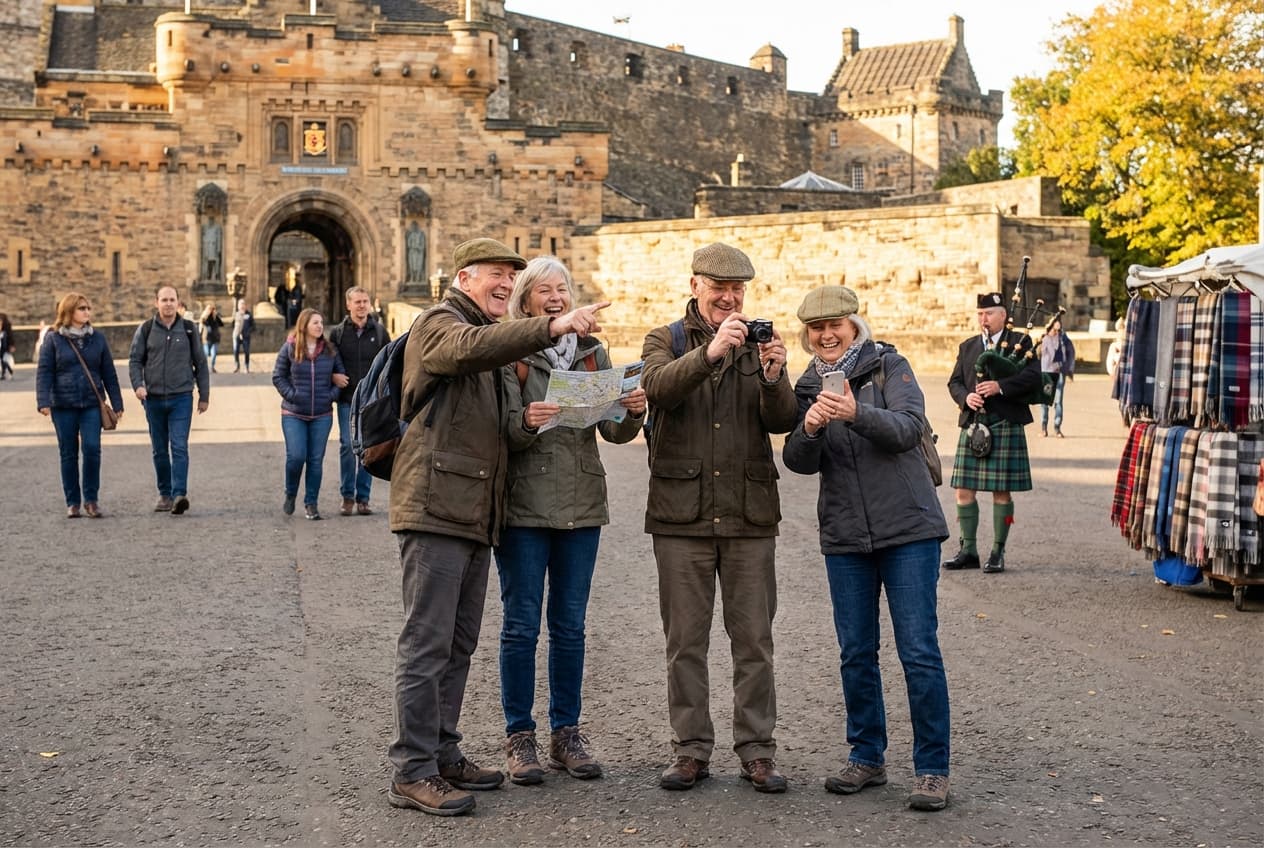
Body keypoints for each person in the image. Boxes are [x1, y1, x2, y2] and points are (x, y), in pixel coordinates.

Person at [387, 238, 607, 818]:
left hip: (473, 511)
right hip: (435, 505)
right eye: (496, 276)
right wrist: (551, 325)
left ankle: (443, 751)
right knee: (426, 643)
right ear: (463, 276)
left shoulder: (484, 335)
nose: (505, 285)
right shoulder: (440, 322)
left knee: (457, 643)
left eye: (512, 277)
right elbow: (469, 349)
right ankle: (412, 770)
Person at [781, 285, 952, 811]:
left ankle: (931, 769)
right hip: (845, 535)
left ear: (855, 324)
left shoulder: (889, 366)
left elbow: (906, 428)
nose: (827, 335)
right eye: (817, 328)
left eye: (836, 324)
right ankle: (867, 756)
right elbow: (797, 461)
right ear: (807, 336)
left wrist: (856, 413)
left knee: (918, 652)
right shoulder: (807, 385)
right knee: (856, 653)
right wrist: (808, 429)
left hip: (908, 530)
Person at [640, 242, 797, 794]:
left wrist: (776, 375)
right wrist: (708, 355)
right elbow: (655, 388)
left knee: (754, 640)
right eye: (718, 289)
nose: (729, 299)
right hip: (681, 514)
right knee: (686, 642)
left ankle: (757, 750)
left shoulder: (760, 344)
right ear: (695, 286)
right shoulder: (666, 339)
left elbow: (781, 422)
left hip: (749, 515)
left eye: (737, 291)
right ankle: (690, 750)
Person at [494, 256, 647, 786]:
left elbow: (617, 435)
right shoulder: (510, 351)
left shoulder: (593, 353)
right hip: (524, 506)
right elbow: (502, 433)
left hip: (582, 504)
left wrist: (631, 408)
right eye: (545, 291)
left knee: (570, 626)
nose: (556, 297)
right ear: (527, 300)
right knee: (520, 624)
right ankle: (519, 735)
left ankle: (566, 733)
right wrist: (524, 421)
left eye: (563, 289)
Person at [943, 292, 1041, 574]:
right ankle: (968, 549)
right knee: (963, 490)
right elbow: (955, 382)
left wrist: (1001, 387)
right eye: (980, 314)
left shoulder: (1020, 343)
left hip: (1005, 422)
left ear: (1003, 316)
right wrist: (965, 398)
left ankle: (998, 550)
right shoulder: (968, 346)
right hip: (974, 423)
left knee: (1001, 491)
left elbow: (1034, 377)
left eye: (989, 313)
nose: (983, 319)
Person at [36, 293, 124, 518]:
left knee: (93, 449)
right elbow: (44, 371)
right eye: (82, 308)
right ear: (69, 312)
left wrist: (117, 402)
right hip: (63, 404)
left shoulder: (98, 339)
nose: (87, 312)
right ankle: (73, 502)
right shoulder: (53, 339)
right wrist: (43, 401)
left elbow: (109, 373)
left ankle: (91, 500)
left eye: (88, 308)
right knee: (68, 453)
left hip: (91, 404)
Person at [128, 285, 211, 515]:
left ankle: (179, 495)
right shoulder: (145, 329)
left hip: (181, 397)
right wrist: (138, 385)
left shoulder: (189, 329)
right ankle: (164, 494)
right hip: (153, 399)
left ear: (178, 302)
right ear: (156, 302)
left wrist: (204, 396)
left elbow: (200, 363)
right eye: (164, 300)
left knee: (179, 446)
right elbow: (135, 360)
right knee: (159, 450)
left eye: (172, 299)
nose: (168, 304)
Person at [272, 308, 348, 520]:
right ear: (304, 325)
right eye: (315, 322)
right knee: (296, 457)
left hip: (322, 414)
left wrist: (330, 396)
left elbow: (342, 377)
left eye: (321, 322)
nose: (320, 326)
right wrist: (293, 395)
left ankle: (311, 504)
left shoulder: (330, 350)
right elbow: (278, 376)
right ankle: (291, 492)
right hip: (293, 412)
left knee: (315, 460)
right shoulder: (290, 347)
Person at [328, 286, 390, 516]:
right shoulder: (338, 333)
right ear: (349, 305)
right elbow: (330, 361)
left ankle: (363, 498)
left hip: (371, 399)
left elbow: (391, 360)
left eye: (365, 301)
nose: (362, 305)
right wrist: (334, 375)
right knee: (347, 446)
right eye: (358, 302)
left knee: (368, 447)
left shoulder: (380, 331)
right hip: (347, 398)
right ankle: (347, 496)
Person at [1039, 315, 1075, 437]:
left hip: (1059, 373)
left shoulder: (1063, 338)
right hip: (1047, 373)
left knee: (1058, 401)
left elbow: (1071, 352)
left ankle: (1057, 427)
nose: (1058, 324)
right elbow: (1040, 355)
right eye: (1056, 322)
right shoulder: (1045, 338)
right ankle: (1043, 427)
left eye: (1059, 322)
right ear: (1051, 323)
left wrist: (1069, 370)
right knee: (1045, 400)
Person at [200, 302, 224, 373]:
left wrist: (216, 316)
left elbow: (221, 324)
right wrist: (207, 314)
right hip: (207, 339)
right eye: (210, 309)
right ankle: (205, 368)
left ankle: (212, 367)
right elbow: (202, 321)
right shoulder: (205, 317)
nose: (212, 310)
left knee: (214, 354)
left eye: (213, 309)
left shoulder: (215, 317)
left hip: (215, 338)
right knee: (206, 354)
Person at [231, 298, 254, 373]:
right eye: (241, 304)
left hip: (246, 337)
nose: (242, 306)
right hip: (236, 336)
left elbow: (253, 326)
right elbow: (232, 325)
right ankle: (237, 366)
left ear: (245, 306)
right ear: (238, 306)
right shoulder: (236, 314)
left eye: (243, 304)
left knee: (246, 351)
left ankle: (246, 367)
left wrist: (248, 331)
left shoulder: (248, 315)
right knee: (236, 351)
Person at [0, 313, 14, 379]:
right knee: (2, 361)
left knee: (3, 360)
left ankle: (5, 372)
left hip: (3, 348)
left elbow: (10, 338)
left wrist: (11, 346)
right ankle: (5, 372)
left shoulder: (5, 332)